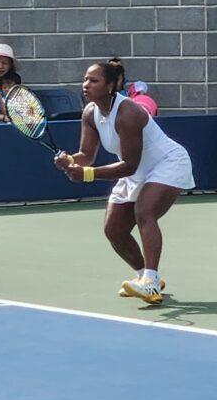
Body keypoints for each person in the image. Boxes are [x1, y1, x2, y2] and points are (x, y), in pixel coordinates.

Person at [54, 58, 194, 305]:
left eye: (94, 80)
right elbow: (86, 155)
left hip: (167, 163)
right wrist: (70, 160)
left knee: (145, 212)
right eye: (85, 79)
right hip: (136, 170)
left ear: (110, 86)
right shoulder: (90, 113)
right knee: (114, 230)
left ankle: (150, 280)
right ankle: (146, 278)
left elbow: (129, 164)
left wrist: (86, 174)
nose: (86, 84)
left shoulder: (128, 112)